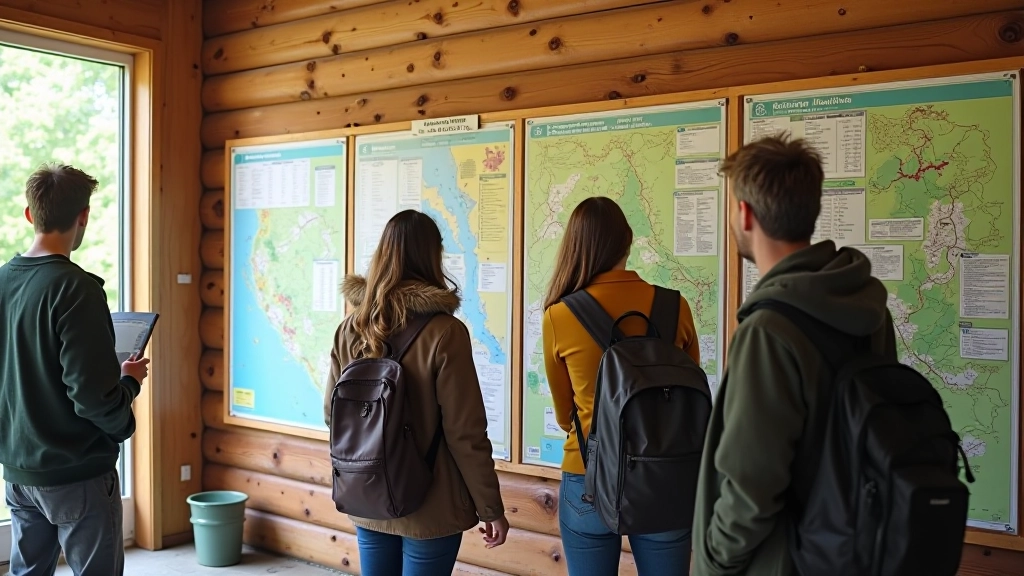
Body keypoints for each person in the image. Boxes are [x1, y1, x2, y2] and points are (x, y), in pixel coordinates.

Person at [691, 134, 897, 575]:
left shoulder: (767, 331)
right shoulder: (870, 310)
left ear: (744, 213)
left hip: (781, 561)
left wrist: (712, 562)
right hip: (850, 550)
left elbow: (750, 488)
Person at [323, 210, 509, 575]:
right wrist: (491, 508)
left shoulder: (350, 328)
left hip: (368, 494)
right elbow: (464, 432)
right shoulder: (445, 333)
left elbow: (333, 414)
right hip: (430, 503)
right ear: (432, 256)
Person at [0, 163, 150, 576]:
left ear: (30, 215)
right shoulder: (76, 287)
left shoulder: (2, 281)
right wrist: (129, 385)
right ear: (83, 216)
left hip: (19, 468)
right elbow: (93, 398)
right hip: (77, 473)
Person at [542, 196, 701, 576]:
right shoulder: (675, 306)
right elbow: (686, 398)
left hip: (588, 475)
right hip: (664, 471)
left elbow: (568, 417)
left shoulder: (559, 316)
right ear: (628, 242)